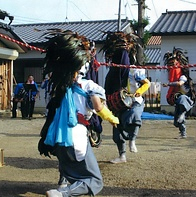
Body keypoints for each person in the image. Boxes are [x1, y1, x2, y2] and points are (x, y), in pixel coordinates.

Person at [38, 31, 119, 197]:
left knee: (70, 167)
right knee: (95, 180)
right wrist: (112, 118)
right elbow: (98, 106)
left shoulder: (59, 87)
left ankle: (62, 184)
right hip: (76, 135)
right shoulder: (89, 85)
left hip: (57, 136)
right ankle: (63, 193)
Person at [102, 32, 150, 164]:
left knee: (134, 115)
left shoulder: (134, 70)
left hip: (134, 101)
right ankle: (122, 155)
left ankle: (132, 140)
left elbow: (147, 83)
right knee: (117, 127)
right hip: (119, 102)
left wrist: (139, 92)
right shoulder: (112, 72)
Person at [163, 67, 195, 139]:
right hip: (181, 102)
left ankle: (182, 114)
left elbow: (179, 83)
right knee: (176, 122)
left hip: (186, 100)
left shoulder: (183, 77)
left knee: (181, 100)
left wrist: (168, 84)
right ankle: (183, 133)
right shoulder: (185, 79)